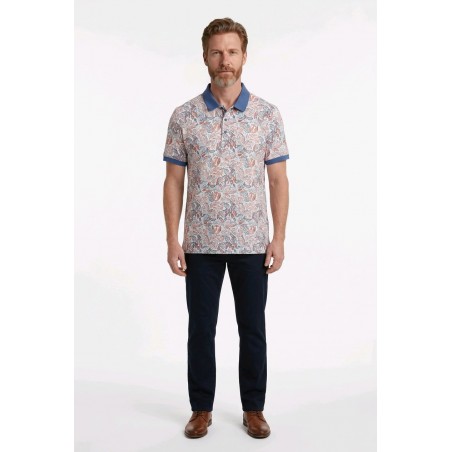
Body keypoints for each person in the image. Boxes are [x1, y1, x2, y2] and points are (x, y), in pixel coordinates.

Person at [162, 17, 289, 439]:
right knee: (200, 330)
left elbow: (278, 180)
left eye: (232, 51)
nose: (225, 60)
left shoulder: (267, 115)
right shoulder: (184, 116)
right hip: (199, 244)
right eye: (217, 52)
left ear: (244, 56)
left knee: (253, 329)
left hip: (252, 242)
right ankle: (201, 409)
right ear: (205, 57)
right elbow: (174, 181)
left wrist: (279, 237)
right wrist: (172, 240)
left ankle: (254, 408)